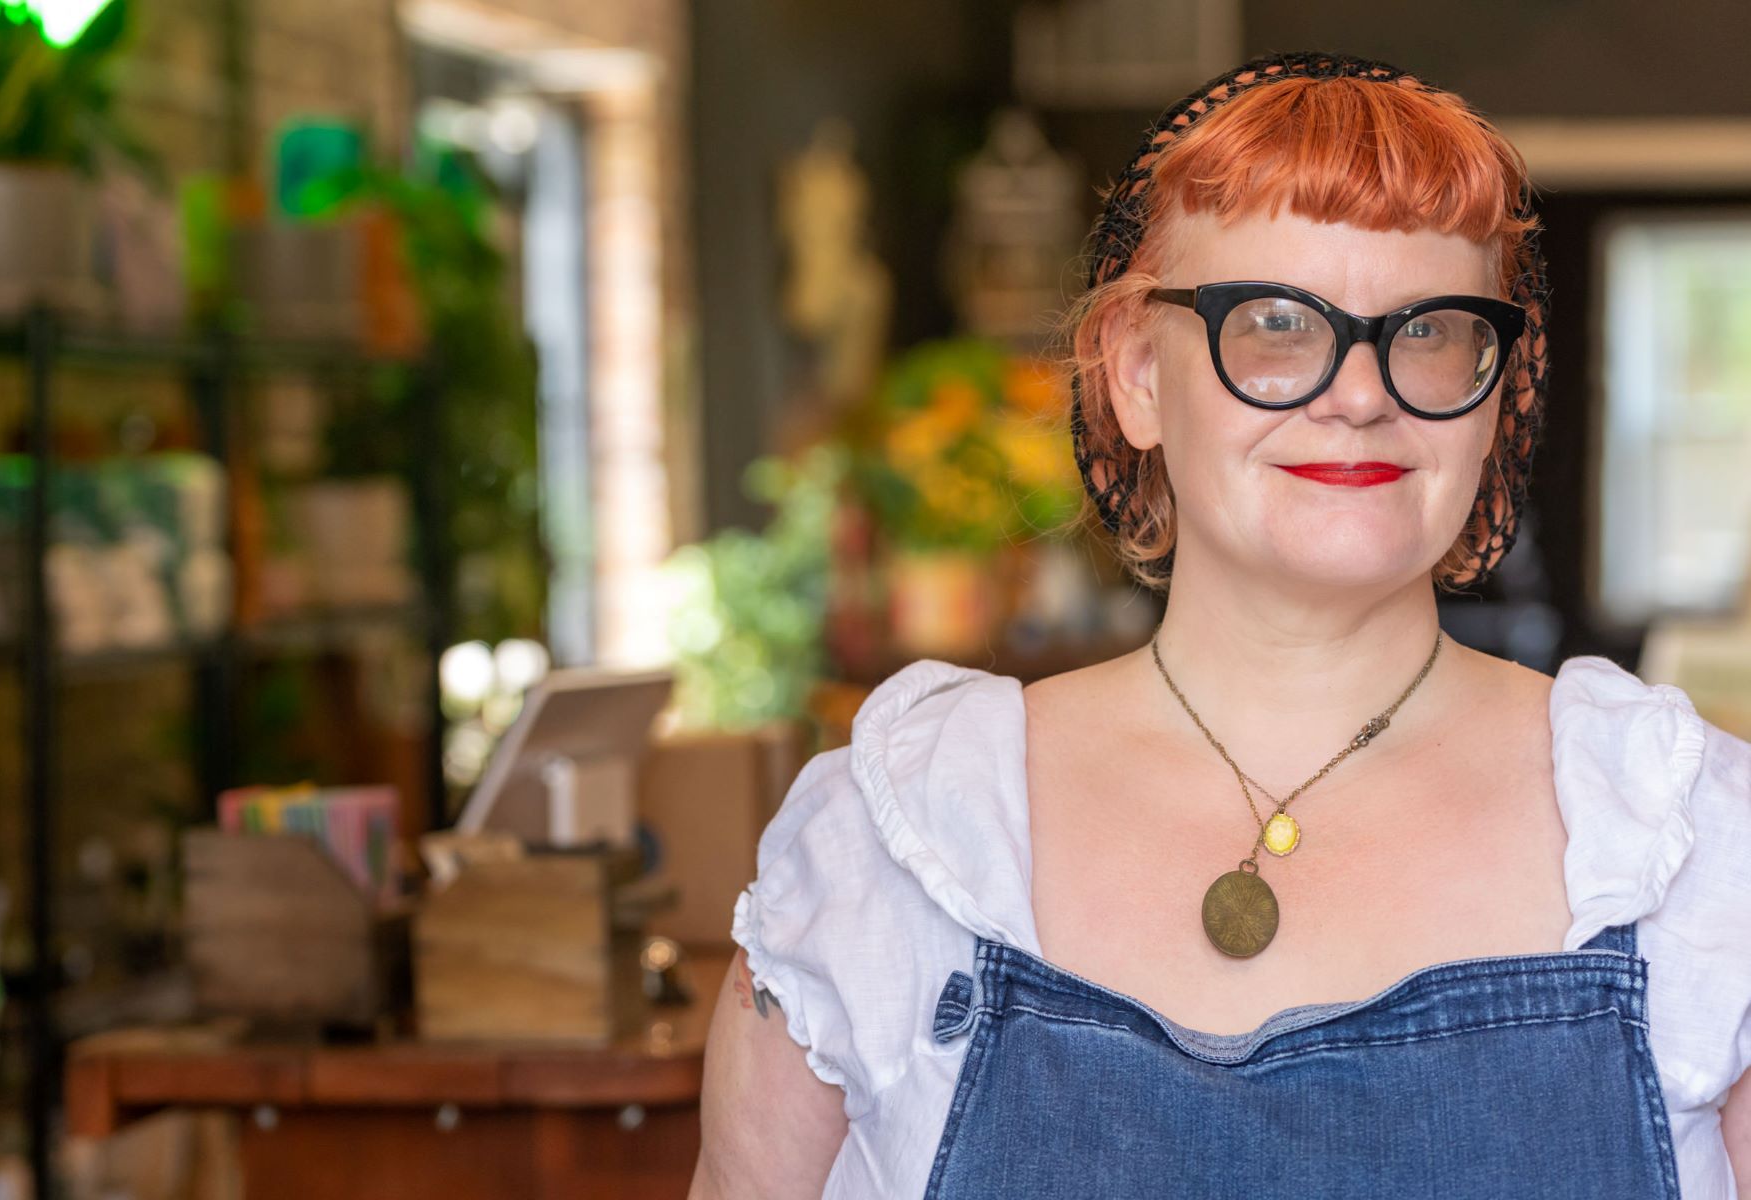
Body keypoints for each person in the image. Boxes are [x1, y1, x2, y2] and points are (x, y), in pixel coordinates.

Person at [688, 50, 1751, 1199]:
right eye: (1279, 323)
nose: (1361, 394)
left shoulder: (1692, 854)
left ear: (1495, 399)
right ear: (1137, 373)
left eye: (1432, 329)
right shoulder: (892, 845)